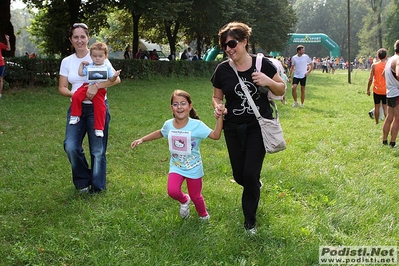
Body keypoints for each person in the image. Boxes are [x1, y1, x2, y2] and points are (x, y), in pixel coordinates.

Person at [211, 22, 285, 234]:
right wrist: (218, 107)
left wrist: (267, 80)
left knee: (251, 173)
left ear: (244, 42)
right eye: (224, 46)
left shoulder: (263, 65)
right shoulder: (222, 70)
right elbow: (217, 96)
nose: (228, 49)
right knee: (240, 175)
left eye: (232, 43)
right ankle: (253, 186)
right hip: (232, 128)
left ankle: (249, 222)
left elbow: (281, 89)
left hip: (258, 126)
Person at [131, 90, 225, 221]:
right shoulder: (168, 125)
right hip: (176, 166)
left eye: (183, 103)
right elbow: (160, 132)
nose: (179, 107)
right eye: (175, 104)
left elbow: (216, 135)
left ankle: (203, 215)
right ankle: (185, 200)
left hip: (194, 167)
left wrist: (219, 117)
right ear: (171, 108)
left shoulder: (197, 125)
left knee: (196, 196)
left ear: (190, 106)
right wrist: (142, 139)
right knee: (172, 191)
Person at [58, 23, 120, 194]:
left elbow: (116, 80)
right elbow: (62, 87)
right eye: (75, 37)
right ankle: (82, 181)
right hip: (77, 108)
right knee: (71, 146)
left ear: (87, 38)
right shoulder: (67, 61)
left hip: (97, 108)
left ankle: (98, 187)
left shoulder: (98, 56)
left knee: (98, 150)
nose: (79, 40)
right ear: (71, 40)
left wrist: (97, 86)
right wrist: (77, 95)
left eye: (82, 37)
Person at [70, 42, 121, 137]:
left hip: (100, 90)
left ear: (105, 56)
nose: (97, 58)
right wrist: (82, 64)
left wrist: (114, 75)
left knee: (100, 108)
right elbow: (81, 73)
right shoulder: (89, 66)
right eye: (95, 56)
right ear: (91, 56)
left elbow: (112, 80)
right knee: (76, 96)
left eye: (100, 56)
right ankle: (75, 115)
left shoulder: (107, 67)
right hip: (86, 86)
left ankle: (99, 128)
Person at [382, 40, 399, 147]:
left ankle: (384, 140)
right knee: (397, 119)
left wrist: (391, 85)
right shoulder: (398, 60)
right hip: (397, 93)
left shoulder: (389, 60)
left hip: (390, 92)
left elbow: (384, 74)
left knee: (389, 117)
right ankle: (392, 143)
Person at [366, 48, 387, 125]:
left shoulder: (374, 65)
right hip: (385, 89)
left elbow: (370, 79)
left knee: (377, 106)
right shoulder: (388, 65)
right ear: (385, 56)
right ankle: (386, 122)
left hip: (376, 89)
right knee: (385, 107)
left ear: (378, 56)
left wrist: (368, 89)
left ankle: (377, 122)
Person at [0, 34, 11, 99]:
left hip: (1, 63)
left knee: (0, 79)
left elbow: (8, 48)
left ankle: (0, 94)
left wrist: (7, 40)